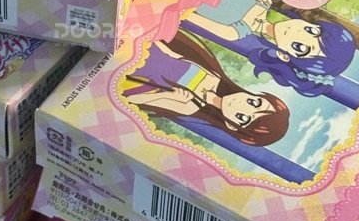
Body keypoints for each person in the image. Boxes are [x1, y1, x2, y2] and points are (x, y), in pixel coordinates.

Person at [182, 0, 356, 96]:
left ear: (284, 56)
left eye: (301, 48)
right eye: (312, 31)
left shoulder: (234, 32)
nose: (298, 33)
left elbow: (185, 16)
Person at [122, 31, 290, 147]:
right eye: (254, 102)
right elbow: (173, 55)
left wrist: (169, 97)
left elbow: (130, 100)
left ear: (232, 126)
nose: (241, 105)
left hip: (130, 72)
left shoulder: (190, 106)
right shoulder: (214, 76)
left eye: (243, 117)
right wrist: (148, 36)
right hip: (142, 43)